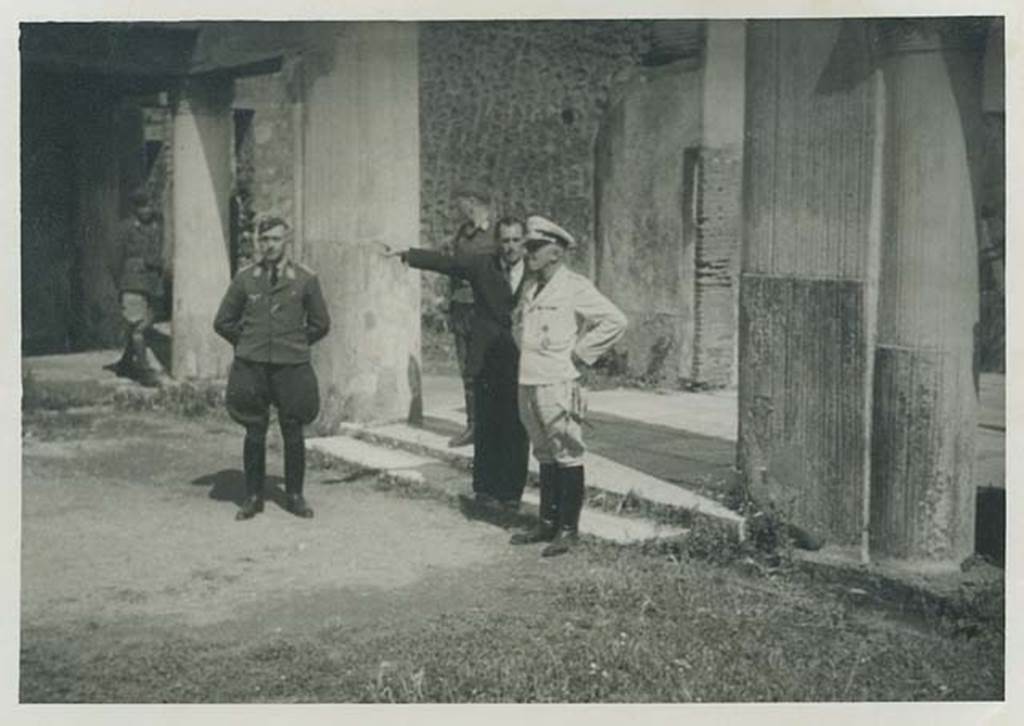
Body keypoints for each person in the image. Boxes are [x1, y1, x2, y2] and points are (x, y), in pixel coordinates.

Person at [380, 217, 530, 509]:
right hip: (487, 357)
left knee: (516, 427)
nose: (510, 247)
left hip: (522, 359)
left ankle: (511, 493)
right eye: (505, 240)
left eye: (516, 240)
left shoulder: (534, 272)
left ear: (524, 242)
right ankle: (486, 490)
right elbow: (446, 262)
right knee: (487, 424)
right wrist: (408, 254)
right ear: (497, 242)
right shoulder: (482, 265)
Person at [509, 215, 627, 557]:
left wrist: (580, 354)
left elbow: (615, 321)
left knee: (567, 452)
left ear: (556, 252)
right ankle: (546, 522)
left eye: (534, 247)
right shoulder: (531, 287)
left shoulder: (573, 286)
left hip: (558, 382)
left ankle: (568, 529)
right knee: (543, 452)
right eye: (526, 246)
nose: (526, 252)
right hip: (530, 378)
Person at [213, 216, 331, 521]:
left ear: (286, 241)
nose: (269, 245)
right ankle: (252, 496)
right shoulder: (245, 279)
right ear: (258, 242)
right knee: (254, 430)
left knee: (293, 430)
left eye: (276, 239)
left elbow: (321, 324)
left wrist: (294, 342)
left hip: (291, 367)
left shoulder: (305, 279)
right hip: (252, 367)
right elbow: (223, 321)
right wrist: (248, 343)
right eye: (264, 240)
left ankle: (295, 495)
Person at [444, 190, 496, 447]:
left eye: (461, 203)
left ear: (474, 202)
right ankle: (473, 425)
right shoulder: (462, 234)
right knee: (468, 371)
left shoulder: (497, 234)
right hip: (461, 308)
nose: (457, 208)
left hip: (484, 311)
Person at [107, 187, 166, 387]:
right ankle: (144, 372)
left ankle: (125, 364)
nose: (147, 210)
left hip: (152, 284)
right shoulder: (125, 229)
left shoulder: (157, 227)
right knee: (138, 327)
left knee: (143, 325)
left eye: (149, 205)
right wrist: (122, 284)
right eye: (142, 206)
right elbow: (114, 260)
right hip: (132, 283)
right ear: (135, 209)